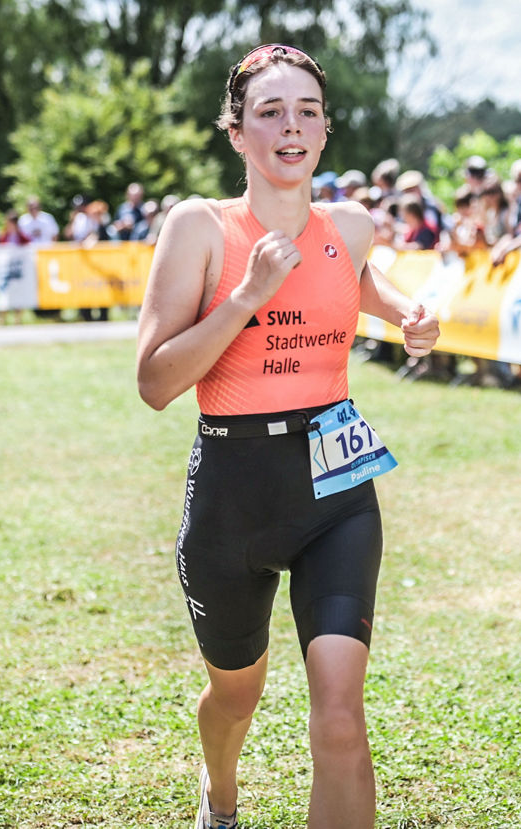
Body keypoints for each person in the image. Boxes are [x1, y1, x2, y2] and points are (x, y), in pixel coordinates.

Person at [135, 43, 439, 829]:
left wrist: (408, 313)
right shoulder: (199, 227)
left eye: (306, 110)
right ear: (236, 133)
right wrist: (245, 297)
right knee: (236, 694)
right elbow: (156, 382)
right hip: (233, 494)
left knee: (340, 714)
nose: (290, 126)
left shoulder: (350, 224)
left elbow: (357, 276)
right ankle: (220, 792)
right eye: (269, 111)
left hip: (337, 489)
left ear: (326, 130)